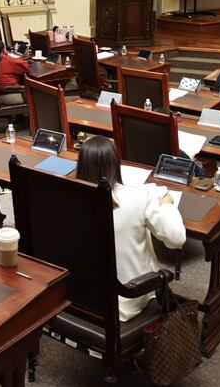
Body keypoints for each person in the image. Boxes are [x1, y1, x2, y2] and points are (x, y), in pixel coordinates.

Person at [75, 136, 186, 321]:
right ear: (115, 163)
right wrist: (166, 204)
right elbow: (177, 239)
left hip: (81, 294)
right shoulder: (139, 198)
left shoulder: (68, 197)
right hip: (127, 297)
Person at [0, 38, 29, 104]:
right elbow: (26, 67)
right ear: (4, 50)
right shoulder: (7, 60)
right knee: (35, 93)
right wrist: (8, 55)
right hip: (8, 94)